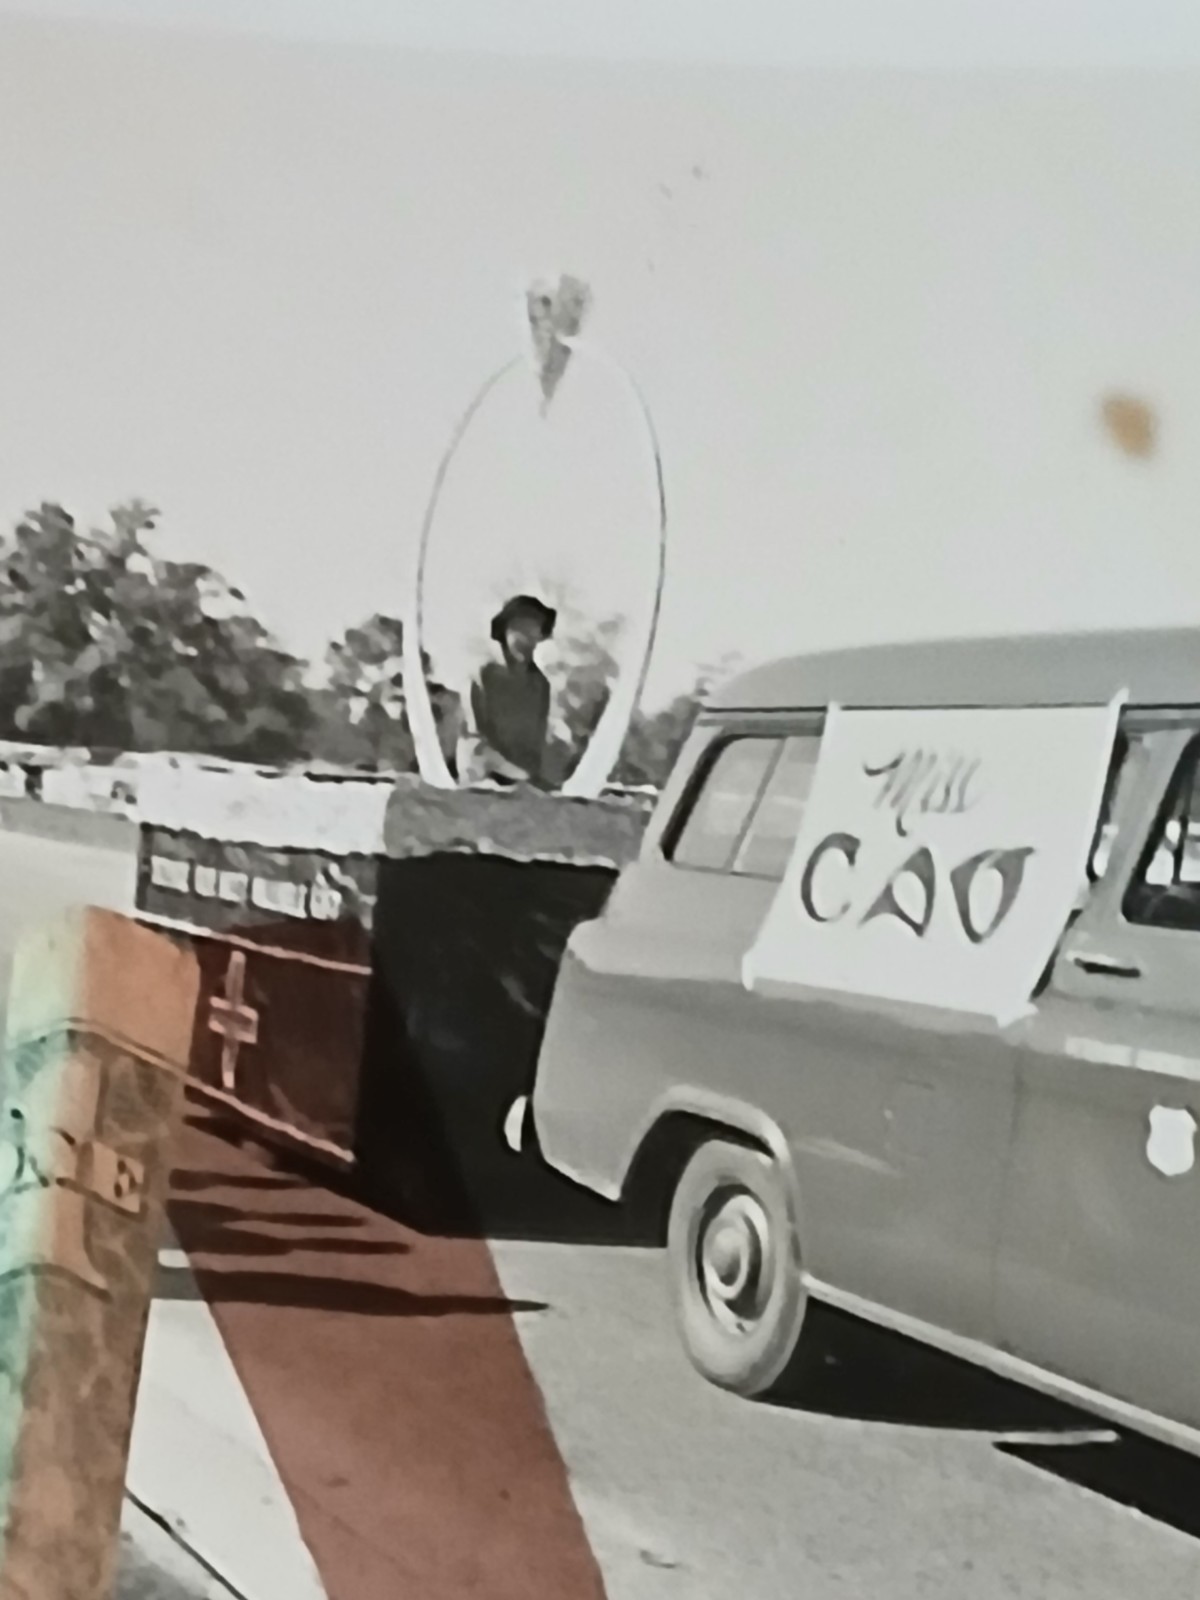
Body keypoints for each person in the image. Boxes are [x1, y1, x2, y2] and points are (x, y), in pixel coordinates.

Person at [460, 594, 557, 787]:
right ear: (504, 632)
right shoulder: (483, 676)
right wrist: (518, 775)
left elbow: (535, 748)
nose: (526, 638)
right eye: (519, 629)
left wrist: (532, 782)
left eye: (533, 630)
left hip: (522, 782)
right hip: (482, 779)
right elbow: (477, 745)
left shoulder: (540, 685)